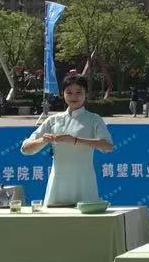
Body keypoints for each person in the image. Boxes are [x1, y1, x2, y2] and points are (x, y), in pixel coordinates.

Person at [21, 76, 114, 207]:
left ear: (86, 94)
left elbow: (108, 146)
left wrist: (75, 140)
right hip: (58, 184)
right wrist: (43, 140)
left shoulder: (94, 119)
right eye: (69, 92)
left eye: (79, 92)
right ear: (63, 94)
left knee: (86, 217)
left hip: (84, 183)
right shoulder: (53, 120)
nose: (74, 96)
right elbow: (25, 149)